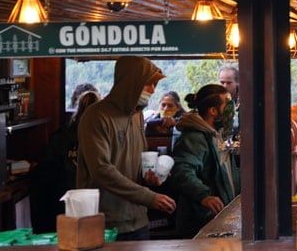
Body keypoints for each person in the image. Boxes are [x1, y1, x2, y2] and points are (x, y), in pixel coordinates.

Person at [77, 56, 176, 240]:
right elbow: (102, 170)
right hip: (105, 223)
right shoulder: (97, 116)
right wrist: (149, 197)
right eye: (149, 84)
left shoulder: (138, 116)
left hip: (138, 220)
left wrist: (150, 176)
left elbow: (138, 160)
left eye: (155, 85)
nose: (153, 90)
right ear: (131, 81)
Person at [165, 84, 240, 238]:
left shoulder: (217, 135)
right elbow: (182, 170)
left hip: (220, 217)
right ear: (213, 111)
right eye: (227, 104)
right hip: (202, 221)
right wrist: (203, 196)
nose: (231, 110)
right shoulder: (195, 138)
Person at [31, 90, 101, 232]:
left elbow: (44, 172)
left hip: (62, 204)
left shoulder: (62, 135)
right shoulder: (102, 135)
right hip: (94, 203)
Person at [217, 64, 241, 139]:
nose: (224, 86)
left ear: (237, 83)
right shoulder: (216, 102)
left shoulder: (246, 102)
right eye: (222, 82)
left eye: (229, 83)